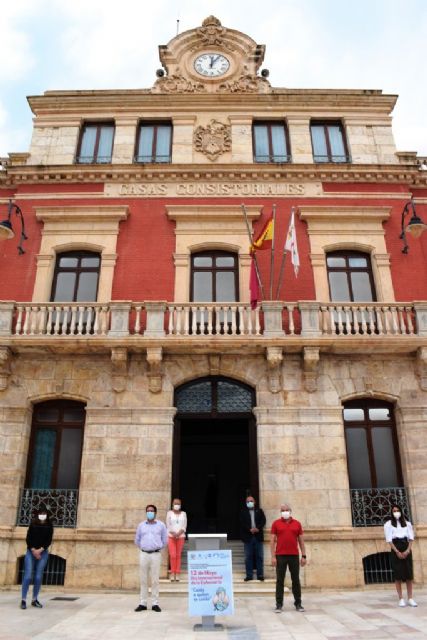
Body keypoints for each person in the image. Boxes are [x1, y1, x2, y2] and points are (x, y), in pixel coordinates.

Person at [270, 503, 306, 613]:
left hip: (294, 556)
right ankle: (279, 604)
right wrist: (273, 557)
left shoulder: (297, 524)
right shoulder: (276, 524)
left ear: (290, 511)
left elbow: (301, 541)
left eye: (286, 510)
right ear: (280, 512)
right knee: (280, 581)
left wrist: (304, 555)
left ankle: (298, 603)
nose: (285, 511)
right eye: (282, 510)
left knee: (296, 580)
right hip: (280, 556)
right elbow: (272, 541)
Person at [134, 504, 168, 613]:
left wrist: (156, 547)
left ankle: (155, 603)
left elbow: (165, 540)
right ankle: (143, 603)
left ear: (155, 513)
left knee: (155, 580)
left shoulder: (161, 525)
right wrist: (144, 547)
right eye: (148, 511)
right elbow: (137, 540)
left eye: (152, 511)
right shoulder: (141, 526)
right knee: (143, 579)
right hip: (143, 554)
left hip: (155, 555)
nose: (150, 512)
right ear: (146, 512)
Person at [20, 505, 53, 610]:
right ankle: (23, 600)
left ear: (47, 515)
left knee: (38, 577)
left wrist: (40, 550)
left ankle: (34, 599)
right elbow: (28, 538)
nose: (42, 515)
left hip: (43, 552)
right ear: (38, 514)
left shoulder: (49, 525)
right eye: (41, 513)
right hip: (31, 552)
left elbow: (49, 540)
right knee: (28, 576)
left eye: (44, 513)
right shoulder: (33, 524)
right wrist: (34, 550)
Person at [384, 504, 417, 607]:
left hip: (406, 546)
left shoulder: (407, 524)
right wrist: (397, 551)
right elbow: (389, 540)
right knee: (398, 574)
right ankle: (401, 598)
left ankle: (410, 598)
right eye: (394, 511)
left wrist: (407, 550)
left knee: (408, 574)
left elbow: (411, 538)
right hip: (396, 547)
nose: (396, 512)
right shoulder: (388, 524)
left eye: (397, 510)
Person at [239, 495, 266, 581]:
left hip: (258, 536)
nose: (250, 503)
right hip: (248, 537)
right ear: (246, 503)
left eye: (251, 501)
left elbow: (263, 520)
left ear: (254, 502)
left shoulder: (259, 511)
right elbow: (242, 523)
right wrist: (249, 529)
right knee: (248, 557)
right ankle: (249, 576)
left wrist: (258, 528)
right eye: (248, 501)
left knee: (260, 556)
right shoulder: (243, 512)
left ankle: (260, 575)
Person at [166, 498, 187, 582]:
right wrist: (174, 533)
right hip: (171, 536)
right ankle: (172, 573)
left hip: (181, 536)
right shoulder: (169, 513)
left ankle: (177, 573)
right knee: (173, 555)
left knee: (178, 555)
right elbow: (168, 524)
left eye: (178, 503)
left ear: (180, 505)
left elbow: (184, 525)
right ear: (172, 504)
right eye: (175, 503)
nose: (176, 505)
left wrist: (179, 533)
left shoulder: (183, 514)